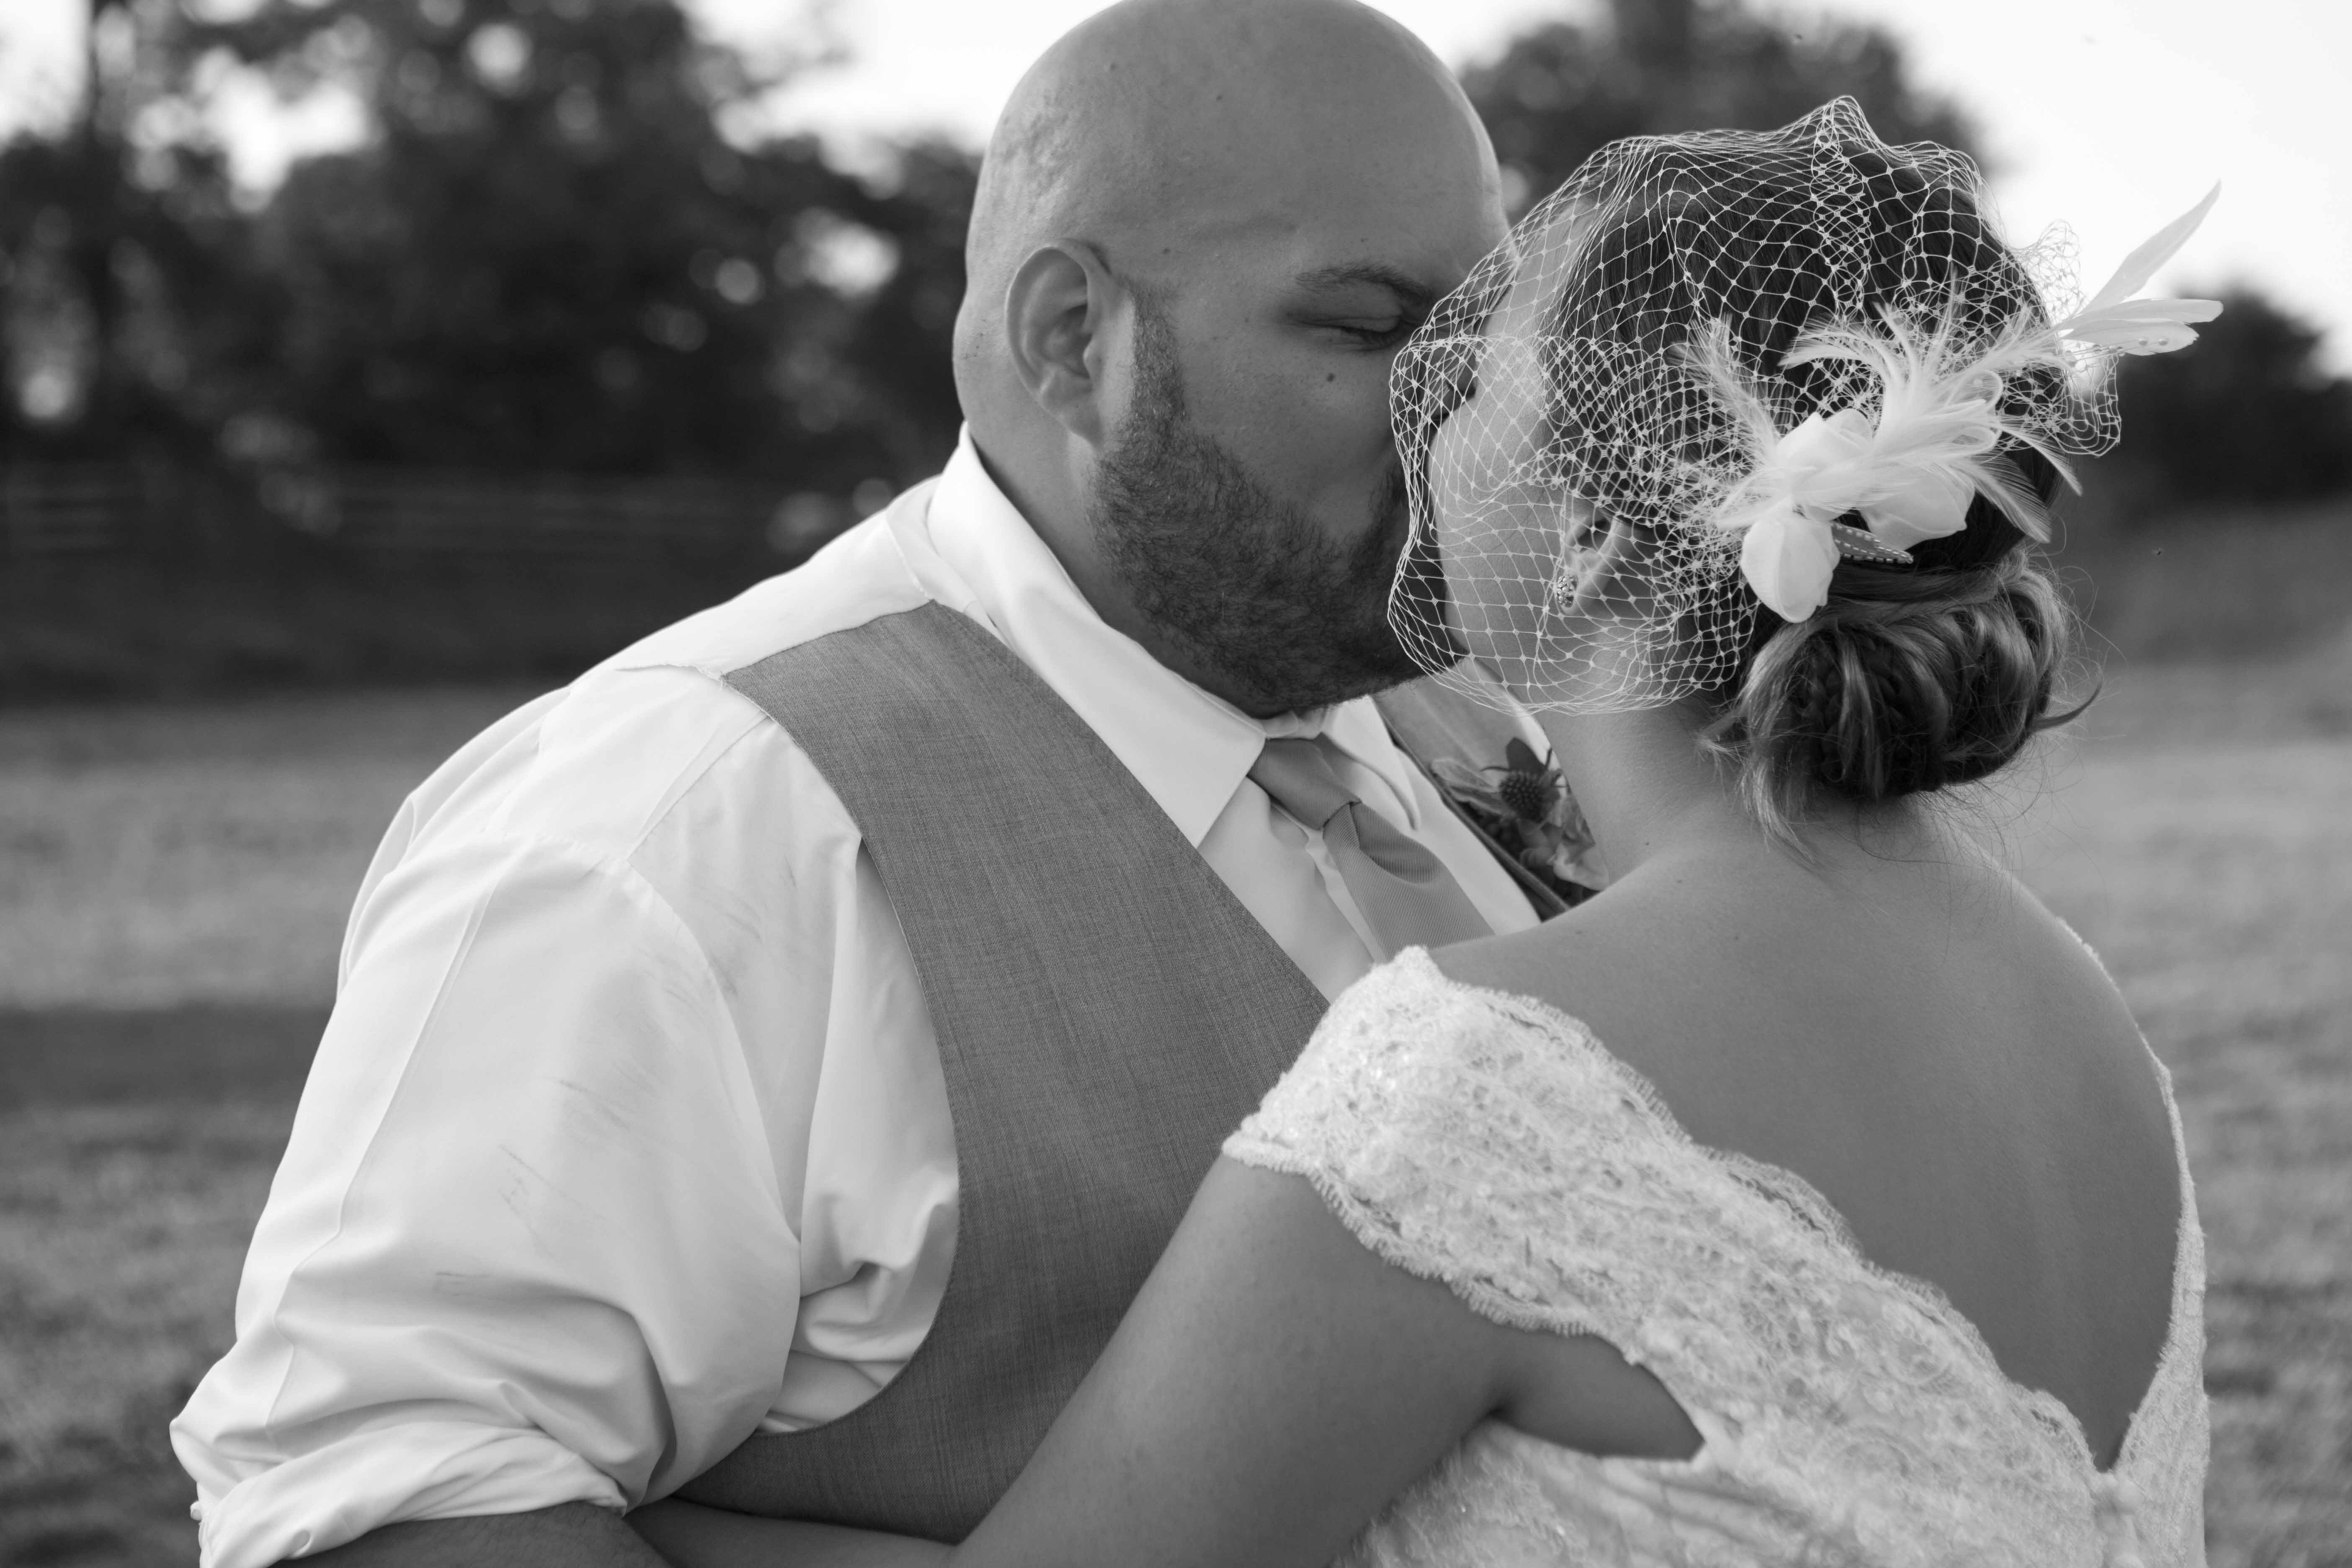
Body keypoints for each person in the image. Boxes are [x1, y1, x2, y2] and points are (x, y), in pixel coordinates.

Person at [634, 101, 2217, 1566]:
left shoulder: (1486, 1093)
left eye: (1476, 381)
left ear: (1590, 537)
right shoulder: (2083, 1019)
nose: (1418, 415)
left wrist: (630, 1522)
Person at [170, 2, 1556, 1564]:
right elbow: (390, 1503)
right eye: (1371, 330)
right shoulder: (687, 826)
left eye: (1488, 341)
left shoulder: (1511, 723)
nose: (1475, 414)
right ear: (1074, 340)